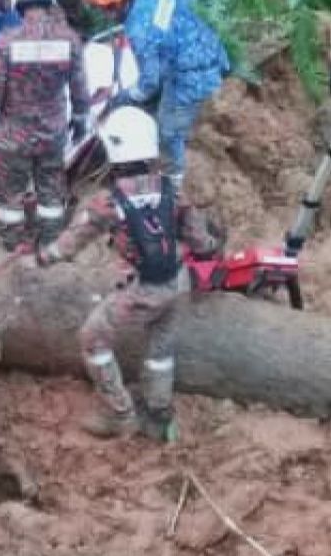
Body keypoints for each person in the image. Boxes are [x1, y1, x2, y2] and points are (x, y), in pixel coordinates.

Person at [39, 108, 225, 442]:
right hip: (176, 282)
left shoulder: (108, 201)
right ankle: (158, 416)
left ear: (114, 150)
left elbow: (70, 244)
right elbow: (202, 242)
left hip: (143, 290)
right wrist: (213, 248)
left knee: (92, 339)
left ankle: (120, 414)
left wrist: (44, 256)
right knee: (161, 350)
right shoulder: (172, 191)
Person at [81, 0, 229, 191]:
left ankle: (175, 183)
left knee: (167, 131)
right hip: (212, 51)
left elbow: (149, 83)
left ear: (116, 3)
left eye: (105, 9)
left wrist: (123, 98)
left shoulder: (139, 30)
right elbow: (185, 2)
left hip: (190, 77)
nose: (105, 14)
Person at [0, 0, 89, 252]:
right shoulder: (70, 40)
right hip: (52, 134)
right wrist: (80, 118)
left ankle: (8, 248)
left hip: (13, 136)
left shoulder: (7, 42)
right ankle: (50, 246)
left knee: (10, 196)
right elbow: (79, 88)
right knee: (51, 193)